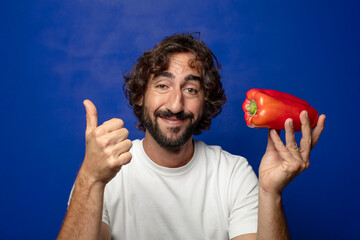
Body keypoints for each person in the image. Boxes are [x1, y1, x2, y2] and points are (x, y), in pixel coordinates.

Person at [57, 33, 326, 240]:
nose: (175, 104)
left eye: (191, 89)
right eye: (163, 85)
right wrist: (90, 178)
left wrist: (271, 193)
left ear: (205, 101)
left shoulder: (233, 173)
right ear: (140, 95)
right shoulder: (105, 174)